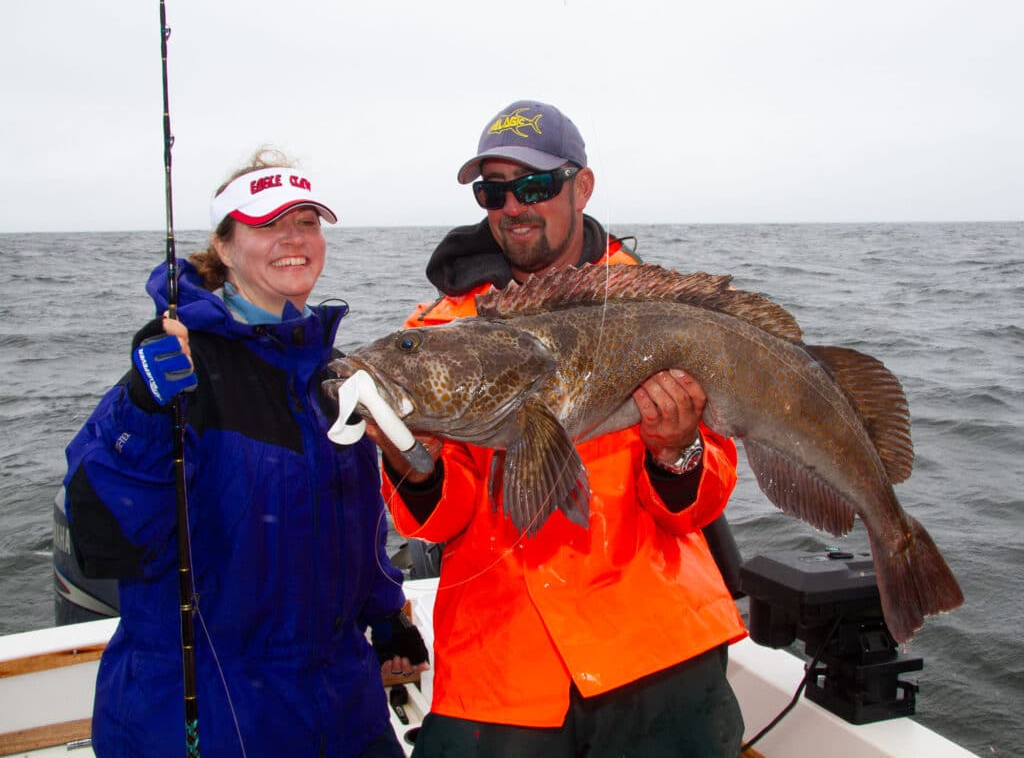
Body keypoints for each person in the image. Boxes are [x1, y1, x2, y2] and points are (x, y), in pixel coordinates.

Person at [370, 101, 748, 757]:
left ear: (583, 186)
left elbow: (700, 504)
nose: (514, 205)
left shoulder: (659, 309)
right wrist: (414, 464)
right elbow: (438, 522)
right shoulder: (433, 335)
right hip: (500, 668)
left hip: (655, 650)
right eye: (494, 190)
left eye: (536, 185)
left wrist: (677, 451)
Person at [64, 148, 428, 758]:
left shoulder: (335, 373)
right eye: (267, 223)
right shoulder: (182, 368)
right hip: (214, 708)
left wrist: (386, 609)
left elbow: (357, 518)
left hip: (343, 707)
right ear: (226, 246)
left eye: (307, 220)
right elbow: (104, 536)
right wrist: (143, 408)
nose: (294, 238)